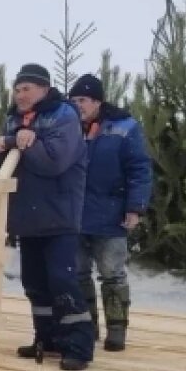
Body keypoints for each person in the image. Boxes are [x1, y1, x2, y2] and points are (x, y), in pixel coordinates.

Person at [0, 63, 94, 371]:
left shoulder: (64, 116)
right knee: (35, 283)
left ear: (44, 89)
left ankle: (78, 345)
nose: (20, 95)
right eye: (17, 89)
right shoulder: (14, 119)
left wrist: (24, 140)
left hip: (59, 214)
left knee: (62, 280)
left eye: (26, 89)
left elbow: (54, 162)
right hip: (27, 215)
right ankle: (46, 338)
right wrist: (8, 142)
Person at [67, 73, 153, 352]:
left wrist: (135, 207)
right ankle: (87, 325)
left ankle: (117, 329)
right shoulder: (68, 127)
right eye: (74, 100)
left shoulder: (125, 127)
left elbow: (139, 169)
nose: (77, 105)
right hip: (74, 214)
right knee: (78, 273)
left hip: (111, 213)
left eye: (82, 99)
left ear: (97, 101)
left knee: (112, 273)